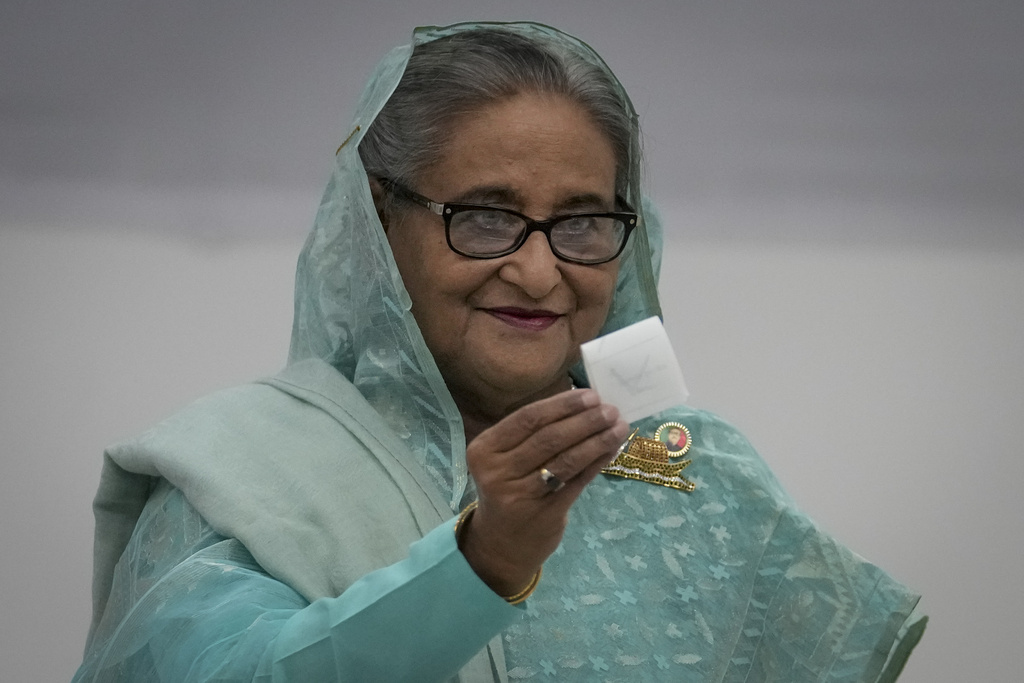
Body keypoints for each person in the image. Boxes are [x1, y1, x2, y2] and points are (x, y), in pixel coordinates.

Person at [73, 22, 925, 682]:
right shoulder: (245, 471)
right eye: (485, 215)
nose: (539, 269)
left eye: (583, 221)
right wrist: (480, 563)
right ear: (380, 224)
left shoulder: (693, 473)